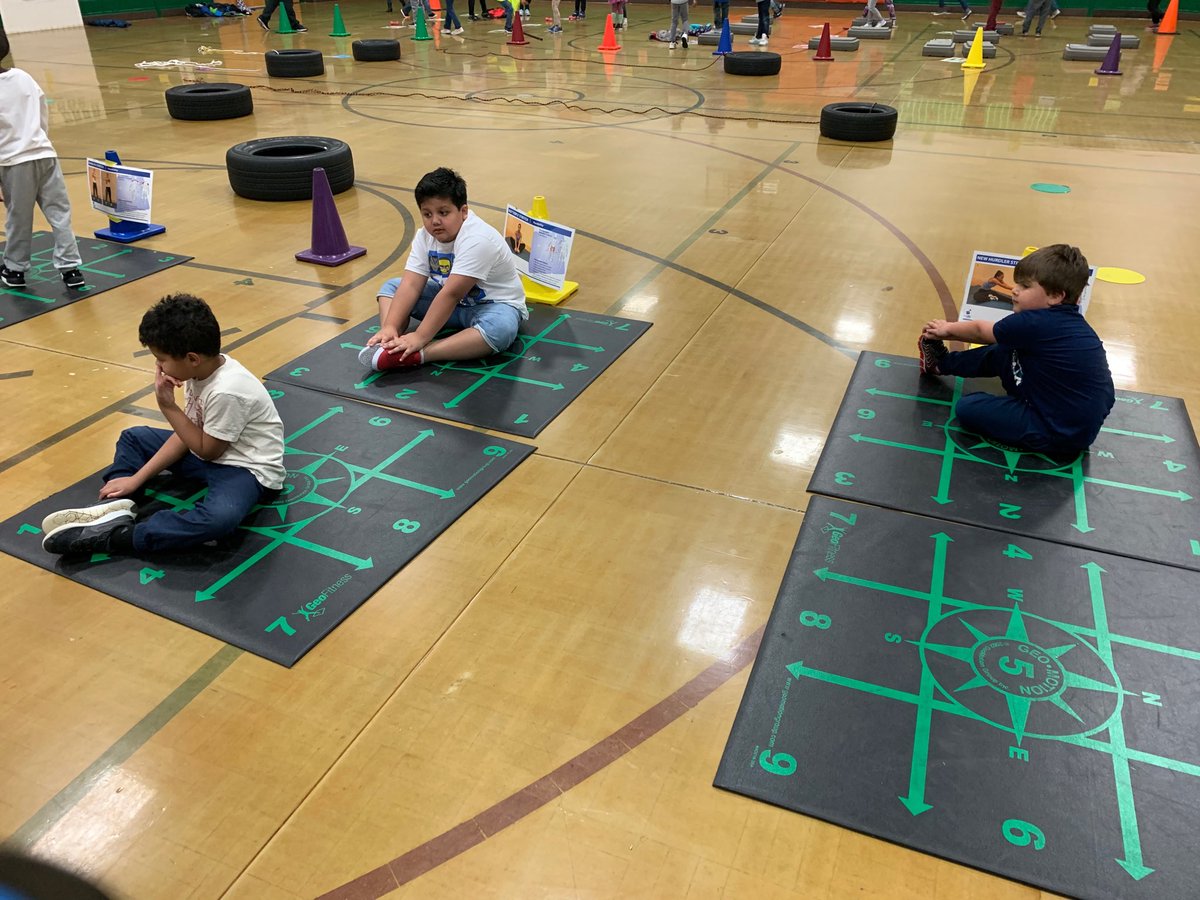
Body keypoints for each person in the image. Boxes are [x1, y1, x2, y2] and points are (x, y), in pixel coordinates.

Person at [41, 294, 286, 556]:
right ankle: (119, 506)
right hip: (210, 452)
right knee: (133, 437)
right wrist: (136, 479)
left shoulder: (228, 391)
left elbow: (208, 450)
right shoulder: (201, 370)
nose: (158, 365)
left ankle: (118, 536)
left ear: (192, 358)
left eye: (161, 359)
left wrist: (168, 406)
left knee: (218, 520)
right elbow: (187, 434)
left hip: (245, 468)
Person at [917, 244, 1114, 456]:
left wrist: (945, 329)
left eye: (1025, 286)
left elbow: (980, 332)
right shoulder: (1070, 322)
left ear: (1056, 296)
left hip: (1054, 429)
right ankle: (939, 364)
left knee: (968, 407)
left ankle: (943, 365)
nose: (1015, 289)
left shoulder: (1034, 322)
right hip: (1077, 421)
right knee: (1005, 351)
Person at [360, 167, 527, 373]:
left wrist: (421, 337)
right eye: (427, 214)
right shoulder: (424, 236)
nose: (435, 221)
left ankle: (421, 354)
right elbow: (412, 284)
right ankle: (390, 341)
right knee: (391, 288)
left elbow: (452, 293)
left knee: (500, 330)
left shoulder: (478, 239)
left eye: (443, 212)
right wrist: (389, 326)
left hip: (492, 306)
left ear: (463, 211)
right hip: (452, 307)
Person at [0, 31, 85, 292]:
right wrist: (39, 142)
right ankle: (70, 268)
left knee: (19, 216)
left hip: (14, 162)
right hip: (45, 154)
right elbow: (42, 112)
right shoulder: (23, 77)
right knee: (60, 213)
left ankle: (15, 268)